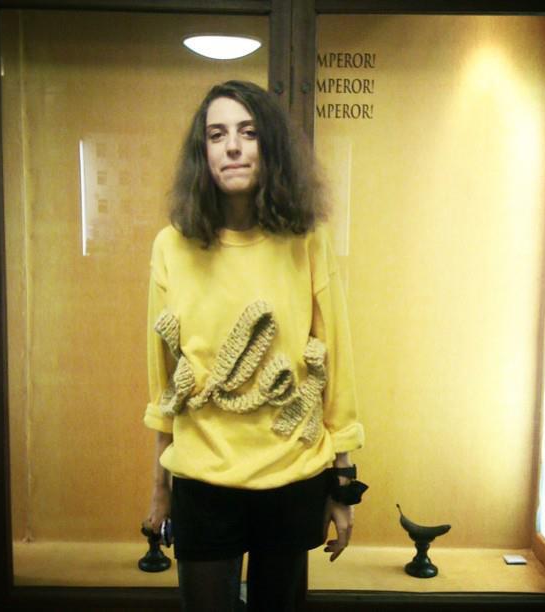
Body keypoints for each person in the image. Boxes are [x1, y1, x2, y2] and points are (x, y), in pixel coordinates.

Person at [143, 80, 366, 612]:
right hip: (202, 479)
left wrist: (343, 484)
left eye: (248, 132)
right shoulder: (171, 246)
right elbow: (164, 385)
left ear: (270, 146)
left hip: (291, 475)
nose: (233, 147)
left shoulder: (307, 240)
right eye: (217, 135)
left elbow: (335, 361)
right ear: (203, 152)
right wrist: (159, 487)